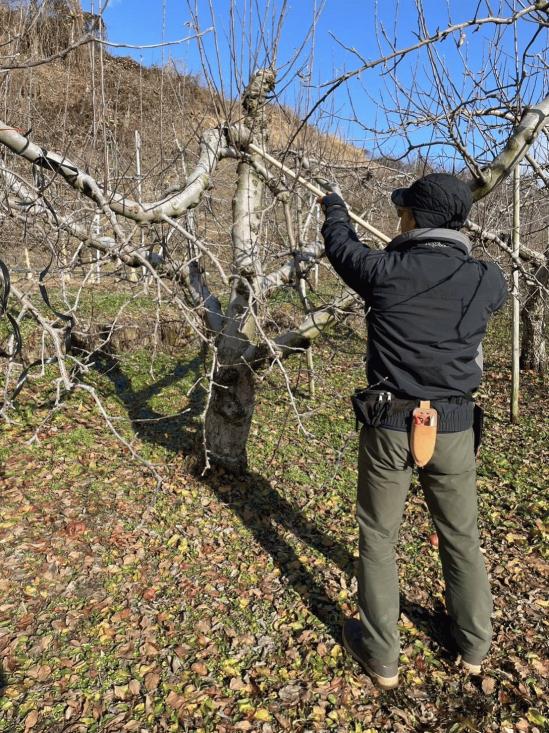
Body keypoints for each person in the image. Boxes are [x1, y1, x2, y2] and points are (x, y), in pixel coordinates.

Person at [318, 173, 507, 690]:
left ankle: (382, 658)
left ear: (415, 219)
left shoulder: (383, 272)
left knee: (378, 538)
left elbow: (342, 246)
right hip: (454, 428)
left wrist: (334, 206)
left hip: (389, 425)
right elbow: (491, 289)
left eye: (403, 211)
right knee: (461, 537)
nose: (397, 217)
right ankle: (473, 647)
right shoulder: (487, 279)